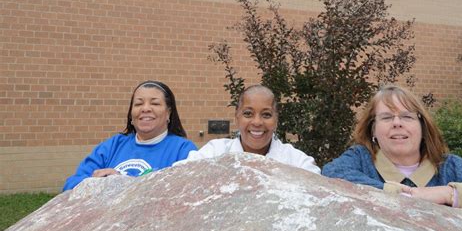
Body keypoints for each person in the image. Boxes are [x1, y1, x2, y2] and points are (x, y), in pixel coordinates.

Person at [322, 85, 462, 209]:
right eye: (386, 117)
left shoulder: (451, 166)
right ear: (373, 129)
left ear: (423, 127)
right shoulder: (360, 158)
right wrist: (398, 194)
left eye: (407, 116)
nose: (397, 123)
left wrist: (449, 194)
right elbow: (332, 173)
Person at [63, 80, 197, 191]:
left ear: (168, 113)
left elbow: (185, 192)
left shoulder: (183, 150)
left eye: (155, 103)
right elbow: (70, 185)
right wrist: (96, 182)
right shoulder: (113, 145)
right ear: (131, 115)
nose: (145, 109)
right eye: (138, 104)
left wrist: (122, 182)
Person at [180, 85, 321, 174]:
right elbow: (179, 175)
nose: (257, 122)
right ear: (237, 117)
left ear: (276, 119)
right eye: (248, 113)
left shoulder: (298, 162)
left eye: (266, 114)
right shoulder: (214, 153)